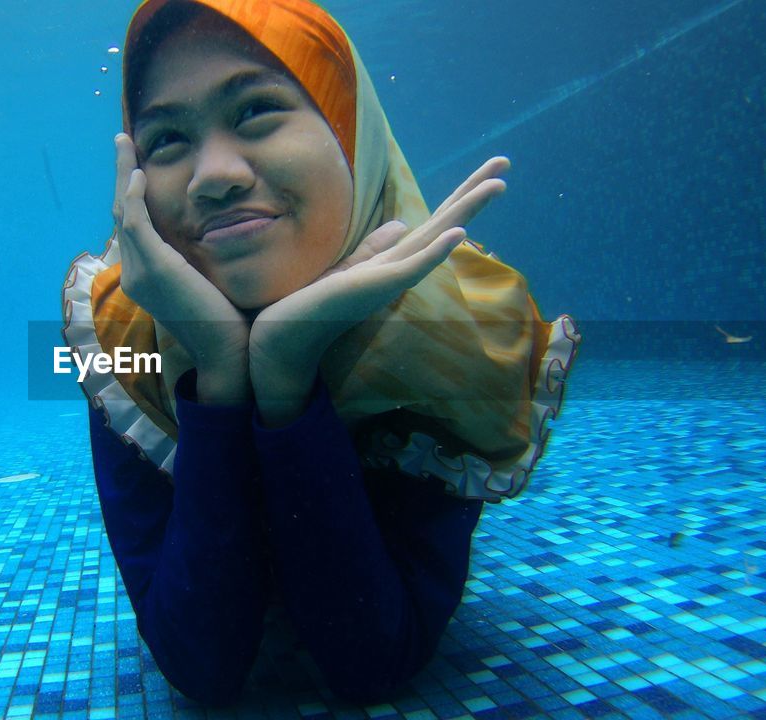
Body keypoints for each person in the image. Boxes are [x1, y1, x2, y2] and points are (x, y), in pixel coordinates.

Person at [60, 0, 580, 706]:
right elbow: (199, 667)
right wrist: (218, 365)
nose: (214, 175)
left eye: (255, 112)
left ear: (351, 136)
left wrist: (284, 374)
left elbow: (373, 658)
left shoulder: (451, 331)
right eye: (167, 141)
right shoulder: (120, 340)